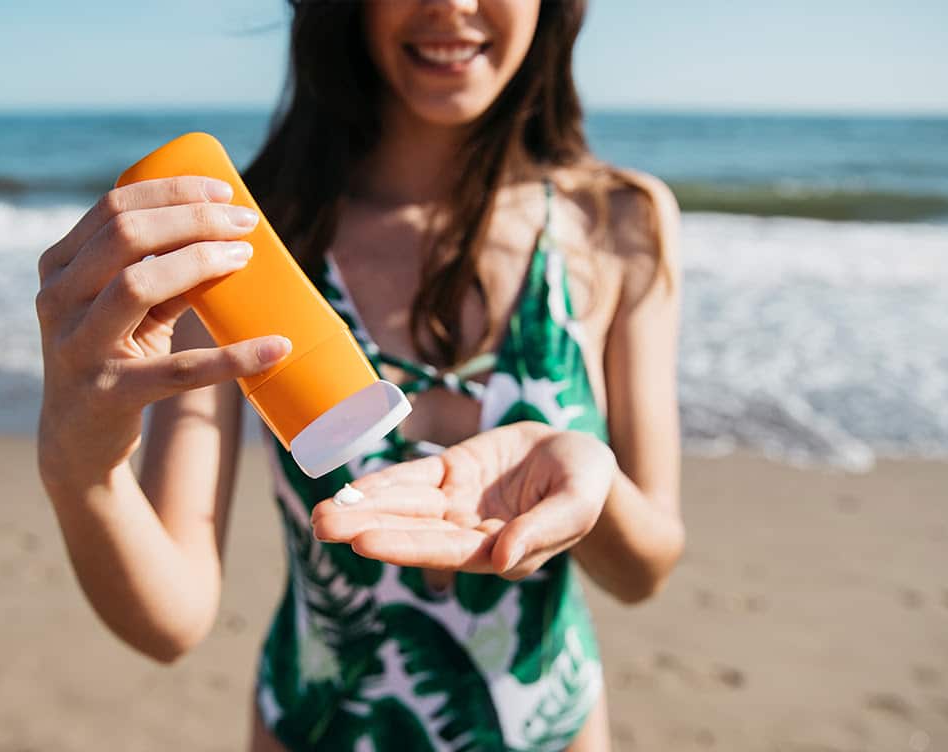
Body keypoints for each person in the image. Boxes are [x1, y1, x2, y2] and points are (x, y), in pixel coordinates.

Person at [35, 0, 684, 749]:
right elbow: (168, 622)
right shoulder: (236, 247)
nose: (452, 4)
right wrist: (79, 466)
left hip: (551, 730)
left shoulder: (618, 221)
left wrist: (585, 481)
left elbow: (646, 573)